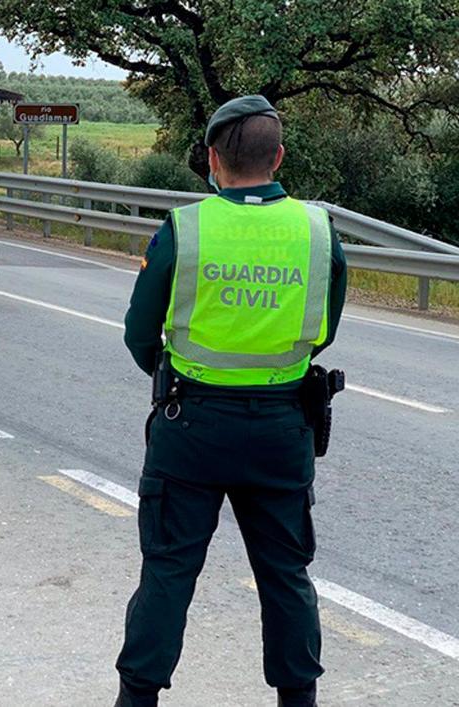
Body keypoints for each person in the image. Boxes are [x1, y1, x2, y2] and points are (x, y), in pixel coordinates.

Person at [114, 95, 348, 707]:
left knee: (168, 572)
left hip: (189, 426)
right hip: (281, 430)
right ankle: (298, 700)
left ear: (213, 159)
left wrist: (181, 375)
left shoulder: (186, 227)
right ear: (279, 157)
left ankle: (136, 699)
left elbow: (140, 333)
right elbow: (324, 329)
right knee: (285, 577)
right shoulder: (320, 230)